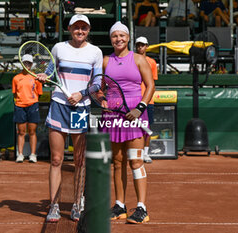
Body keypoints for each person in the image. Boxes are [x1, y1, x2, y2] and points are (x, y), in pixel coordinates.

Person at [36, 14, 103, 222]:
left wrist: (81, 94)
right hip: (58, 105)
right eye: (76, 27)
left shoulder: (96, 52)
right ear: (69, 28)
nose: (80, 31)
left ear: (88, 30)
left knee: (79, 161)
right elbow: (49, 71)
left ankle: (76, 204)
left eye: (84, 28)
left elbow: (98, 83)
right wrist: (44, 76)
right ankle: (54, 205)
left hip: (80, 108)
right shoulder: (58, 48)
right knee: (56, 159)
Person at [102, 21, 155, 224]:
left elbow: (150, 86)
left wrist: (139, 108)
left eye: (122, 35)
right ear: (111, 39)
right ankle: (119, 206)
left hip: (135, 116)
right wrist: (102, 99)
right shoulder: (106, 61)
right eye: (115, 36)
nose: (119, 39)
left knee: (135, 161)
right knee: (117, 162)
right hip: (113, 116)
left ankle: (142, 208)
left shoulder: (140, 59)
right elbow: (99, 88)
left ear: (128, 38)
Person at [12, 54, 43, 163]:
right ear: (22, 64)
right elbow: (15, 94)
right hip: (20, 106)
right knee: (21, 132)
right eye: (25, 63)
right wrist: (20, 103)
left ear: (31, 64)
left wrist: (31, 101)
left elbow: (39, 93)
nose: (27, 65)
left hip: (32, 105)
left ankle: (33, 155)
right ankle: (20, 154)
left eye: (29, 63)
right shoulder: (16, 78)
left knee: (32, 131)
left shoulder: (36, 77)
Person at [135, 36, 158, 164]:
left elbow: (152, 83)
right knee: (133, 128)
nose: (140, 47)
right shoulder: (131, 60)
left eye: (142, 45)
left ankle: (146, 153)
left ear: (147, 46)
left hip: (148, 101)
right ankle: (135, 153)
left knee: (147, 128)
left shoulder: (152, 62)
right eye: (138, 45)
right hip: (133, 100)